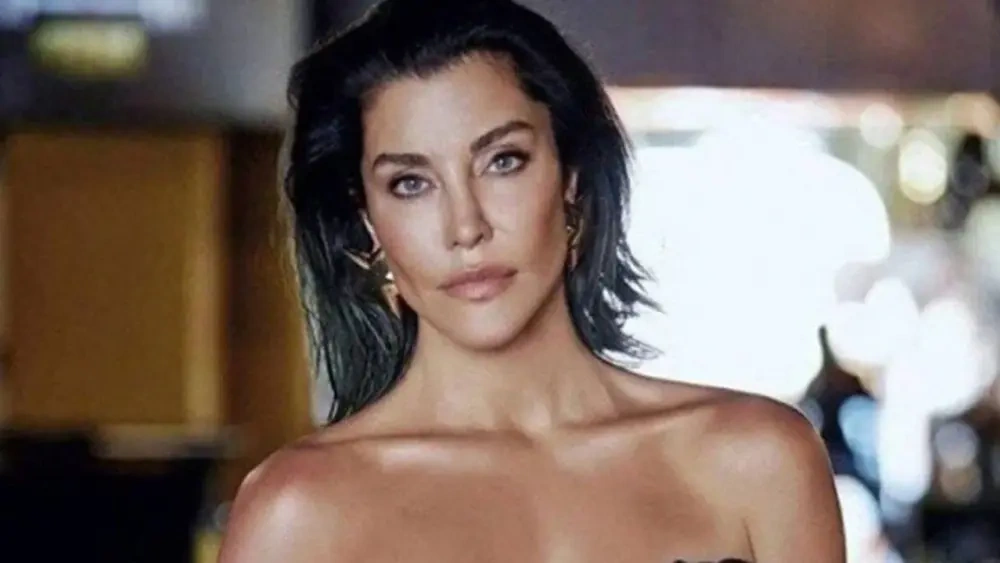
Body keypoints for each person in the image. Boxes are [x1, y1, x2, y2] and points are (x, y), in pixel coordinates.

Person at [218, 1, 845, 561]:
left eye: (503, 161)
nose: (466, 227)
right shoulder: (298, 510)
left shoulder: (759, 460)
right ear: (368, 222)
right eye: (411, 183)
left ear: (570, 178)